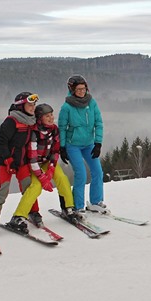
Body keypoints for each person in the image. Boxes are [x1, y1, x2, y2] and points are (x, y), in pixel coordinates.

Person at [7, 103, 82, 233]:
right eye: (47, 116)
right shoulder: (34, 133)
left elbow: (55, 151)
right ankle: (18, 216)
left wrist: (51, 169)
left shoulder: (54, 130)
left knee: (62, 179)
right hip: (34, 164)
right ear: (40, 118)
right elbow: (32, 158)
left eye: (52, 114)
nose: (51, 118)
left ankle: (68, 208)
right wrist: (43, 178)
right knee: (36, 187)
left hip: (48, 162)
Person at [0, 92, 40, 234]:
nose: (33, 107)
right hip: (6, 162)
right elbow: (2, 143)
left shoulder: (31, 120)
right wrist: (8, 161)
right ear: (21, 106)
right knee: (2, 190)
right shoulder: (11, 121)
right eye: (29, 104)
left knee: (28, 188)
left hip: (21, 162)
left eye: (34, 104)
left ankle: (33, 212)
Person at [58, 75, 108, 214]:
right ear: (72, 89)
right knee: (81, 174)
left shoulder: (92, 103)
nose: (82, 91)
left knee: (98, 172)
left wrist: (98, 143)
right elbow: (61, 128)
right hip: (73, 145)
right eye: (78, 89)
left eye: (84, 88)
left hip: (89, 144)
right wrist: (62, 147)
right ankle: (78, 206)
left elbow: (98, 123)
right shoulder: (67, 107)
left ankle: (96, 202)